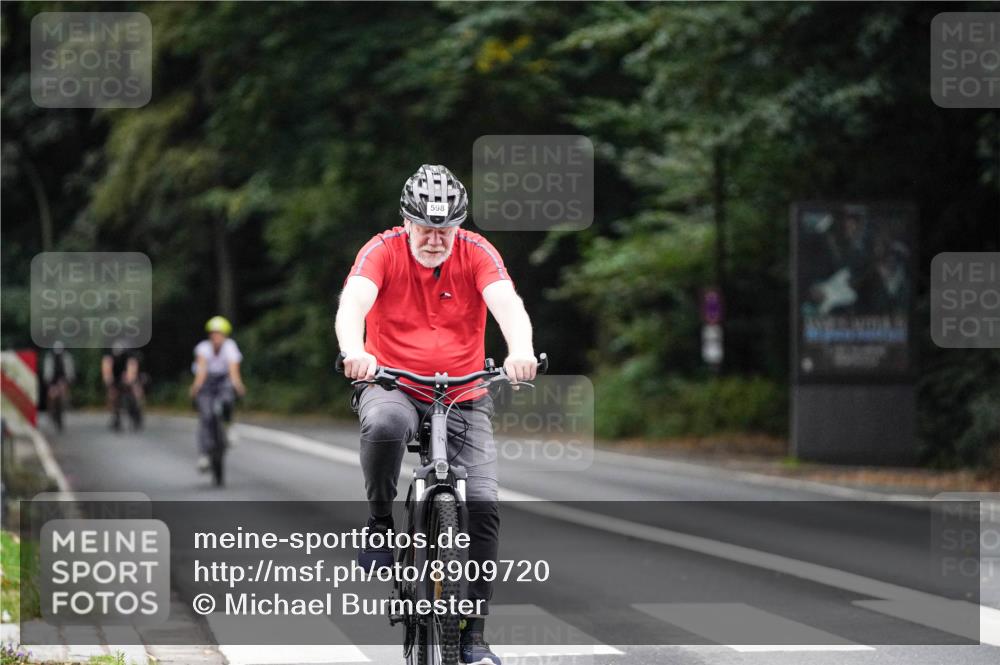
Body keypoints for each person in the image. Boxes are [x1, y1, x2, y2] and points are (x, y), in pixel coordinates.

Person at [335, 164, 537, 665]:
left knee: (485, 504)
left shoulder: (477, 252)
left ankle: (473, 635)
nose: (434, 238)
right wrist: (354, 349)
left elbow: (506, 303)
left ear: (460, 226)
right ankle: (381, 521)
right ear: (406, 222)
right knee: (384, 425)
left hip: (465, 391)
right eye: (424, 228)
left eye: (444, 229)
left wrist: (522, 349)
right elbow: (353, 303)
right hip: (392, 383)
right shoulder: (381, 250)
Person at [189, 316, 246, 472]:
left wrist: (237, 384)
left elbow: (233, 369)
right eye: (213, 333)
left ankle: (229, 427)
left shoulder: (230, 347)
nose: (216, 337)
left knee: (227, 400)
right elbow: (201, 370)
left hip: (224, 381)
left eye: (219, 333)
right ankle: (204, 455)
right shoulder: (203, 348)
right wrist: (196, 387)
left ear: (225, 335)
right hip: (207, 382)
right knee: (206, 417)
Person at [101, 341, 142, 431]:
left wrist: (129, 380)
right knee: (112, 394)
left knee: (136, 391)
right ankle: (115, 416)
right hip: (116, 376)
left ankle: (137, 412)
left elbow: (132, 370)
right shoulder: (109, 357)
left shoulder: (130, 357)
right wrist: (109, 382)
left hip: (128, 375)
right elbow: (106, 370)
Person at [42, 341, 75, 431]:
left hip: (62, 381)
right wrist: (50, 384)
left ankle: (62, 413)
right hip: (52, 381)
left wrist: (67, 381)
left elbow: (69, 371)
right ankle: (51, 413)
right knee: (51, 397)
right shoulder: (49, 358)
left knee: (63, 397)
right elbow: (47, 373)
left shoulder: (67, 357)